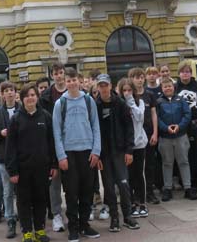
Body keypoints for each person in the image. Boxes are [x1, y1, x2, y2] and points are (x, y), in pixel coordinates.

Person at [52, 67, 101, 242]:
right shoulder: (60, 104)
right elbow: (56, 132)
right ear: (65, 82)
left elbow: (96, 126)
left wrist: (96, 151)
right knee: (71, 193)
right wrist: (61, 156)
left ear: (79, 81)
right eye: (69, 80)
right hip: (69, 153)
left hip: (87, 152)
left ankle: (84, 225)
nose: (72, 83)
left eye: (74, 80)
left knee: (87, 191)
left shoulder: (88, 101)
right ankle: (73, 227)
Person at [7, 83, 57, 242]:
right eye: (27, 95)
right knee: (24, 201)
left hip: (42, 168)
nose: (30, 98)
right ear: (22, 99)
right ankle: (27, 231)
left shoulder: (46, 116)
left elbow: (52, 142)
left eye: (33, 95)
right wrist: (12, 171)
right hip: (22, 169)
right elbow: (10, 147)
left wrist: (54, 164)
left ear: (37, 97)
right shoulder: (15, 119)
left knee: (41, 199)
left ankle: (40, 230)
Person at [95, 74, 140, 232]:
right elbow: (93, 131)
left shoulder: (120, 103)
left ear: (110, 86)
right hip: (104, 154)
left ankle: (128, 216)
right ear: (97, 87)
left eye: (105, 85)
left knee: (123, 184)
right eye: (101, 85)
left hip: (120, 151)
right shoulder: (95, 105)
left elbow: (129, 128)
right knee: (108, 187)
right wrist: (97, 155)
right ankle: (114, 218)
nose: (103, 88)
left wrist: (129, 151)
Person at [38, 63, 68, 233]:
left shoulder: (74, 92)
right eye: (55, 73)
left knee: (71, 182)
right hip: (53, 142)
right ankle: (56, 214)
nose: (59, 76)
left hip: (71, 142)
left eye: (61, 72)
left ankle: (72, 212)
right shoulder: (45, 97)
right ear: (52, 76)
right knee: (54, 183)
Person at [0, 81, 21, 237]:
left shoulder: (22, 109)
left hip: (22, 156)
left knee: (21, 190)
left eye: (12, 90)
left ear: (15, 93)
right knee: (7, 191)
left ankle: (23, 215)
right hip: (4, 157)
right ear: (1, 94)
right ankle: (10, 219)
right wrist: (0, 134)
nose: (9, 93)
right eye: (6, 90)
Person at [156, 77, 195, 201]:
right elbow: (156, 118)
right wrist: (165, 128)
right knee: (167, 163)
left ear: (174, 87)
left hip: (180, 136)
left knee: (184, 162)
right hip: (165, 137)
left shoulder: (181, 100)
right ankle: (167, 188)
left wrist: (180, 126)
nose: (168, 88)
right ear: (162, 88)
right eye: (165, 87)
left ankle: (188, 188)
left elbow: (187, 114)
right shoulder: (158, 102)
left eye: (170, 86)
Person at [175, 61, 197, 195]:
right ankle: (191, 183)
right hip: (182, 126)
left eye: (187, 72)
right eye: (183, 72)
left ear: (191, 73)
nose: (185, 74)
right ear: (179, 74)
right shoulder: (175, 87)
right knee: (186, 155)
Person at [117, 77, 148, 217]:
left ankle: (142, 202)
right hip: (125, 146)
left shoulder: (139, 102)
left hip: (139, 143)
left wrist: (131, 103)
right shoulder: (118, 104)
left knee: (139, 174)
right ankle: (131, 203)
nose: (127, 93)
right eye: (124, 90)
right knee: (128, 176)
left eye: (129, 90)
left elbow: (140, 117)